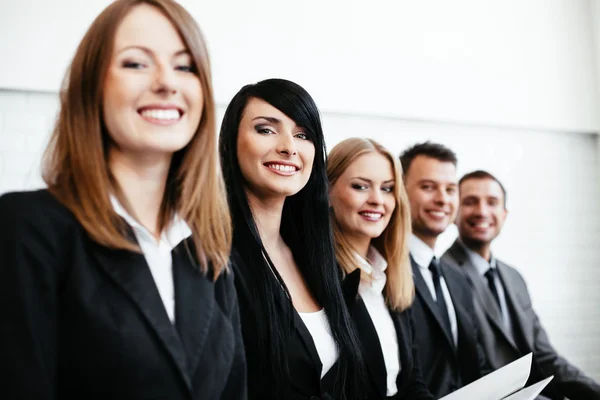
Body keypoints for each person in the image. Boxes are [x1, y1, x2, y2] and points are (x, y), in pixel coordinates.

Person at [0, 1, 246, 398]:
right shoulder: (25, 229)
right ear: (92, 85)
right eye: (136, 63)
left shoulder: (207, 253)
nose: (167, 82)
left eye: (185, 66)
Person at [219, 79, 367, 400]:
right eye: (266, 130)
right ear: (231, 143)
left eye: (303, 135)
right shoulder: (215, 257)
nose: (290, 147)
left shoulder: (312, 257)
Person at [442, 170, 600, 400]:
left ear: (504, 214)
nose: (482, 211)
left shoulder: (513, 276)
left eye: (492, 202)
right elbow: (470, 371)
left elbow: (545, 356)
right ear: (454, 211)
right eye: (470, 202)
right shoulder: (443, 275)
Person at [327, 138, 434, 400]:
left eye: (387, 189)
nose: (377, 200)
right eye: (361, 186)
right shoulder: (322, 280)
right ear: (327, 190)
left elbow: (410, 381)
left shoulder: (392, 277)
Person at [399, 142, 488, 398]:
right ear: (400, 192)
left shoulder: (457, 278)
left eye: (450, 190)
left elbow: (474, 365)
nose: (442, 199)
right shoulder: (385, 272)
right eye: (428, 187)